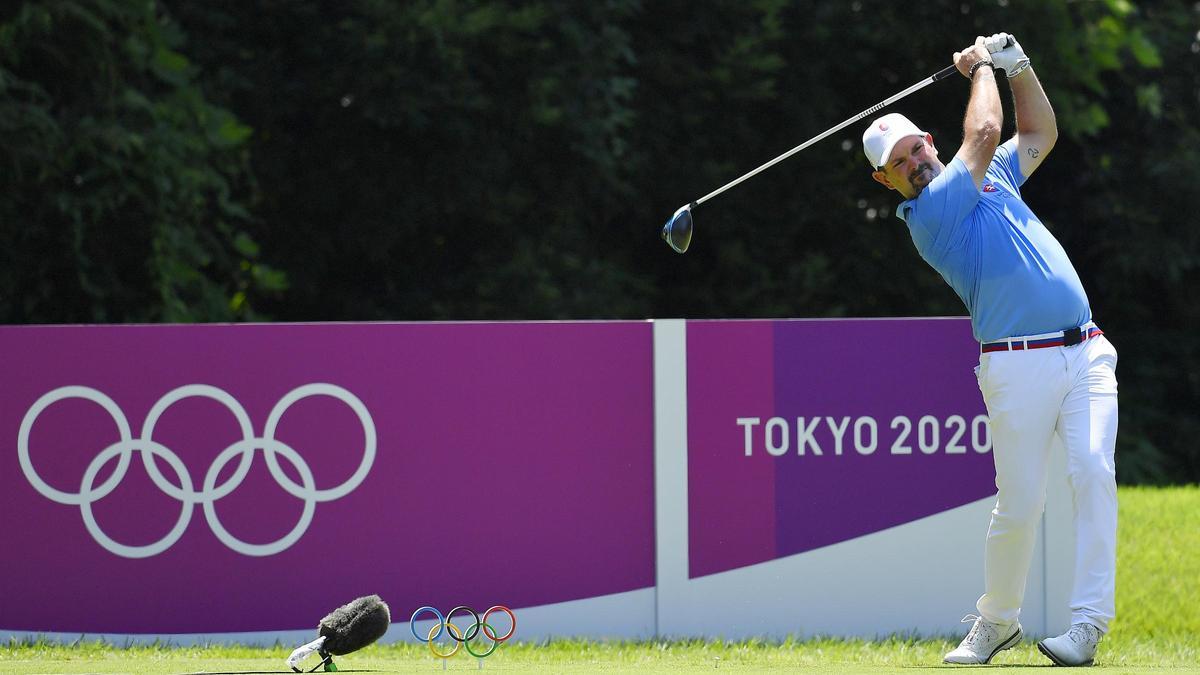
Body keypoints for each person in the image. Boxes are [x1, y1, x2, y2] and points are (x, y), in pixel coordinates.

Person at [862, 34, 1119, 666]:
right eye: (901, 161)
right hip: (1014, 364)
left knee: (1093, 473)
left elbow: (1039, 131)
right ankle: (996, 621)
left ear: (927, 135)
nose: (917, 161)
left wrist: (1018, 65)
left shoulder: (994, 175)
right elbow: (983, 131)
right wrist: (980, 67)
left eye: (917, 146)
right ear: (886, 180)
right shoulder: (931, 213)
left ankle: (1087, 624)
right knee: (1020, 504)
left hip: (1086, 352)